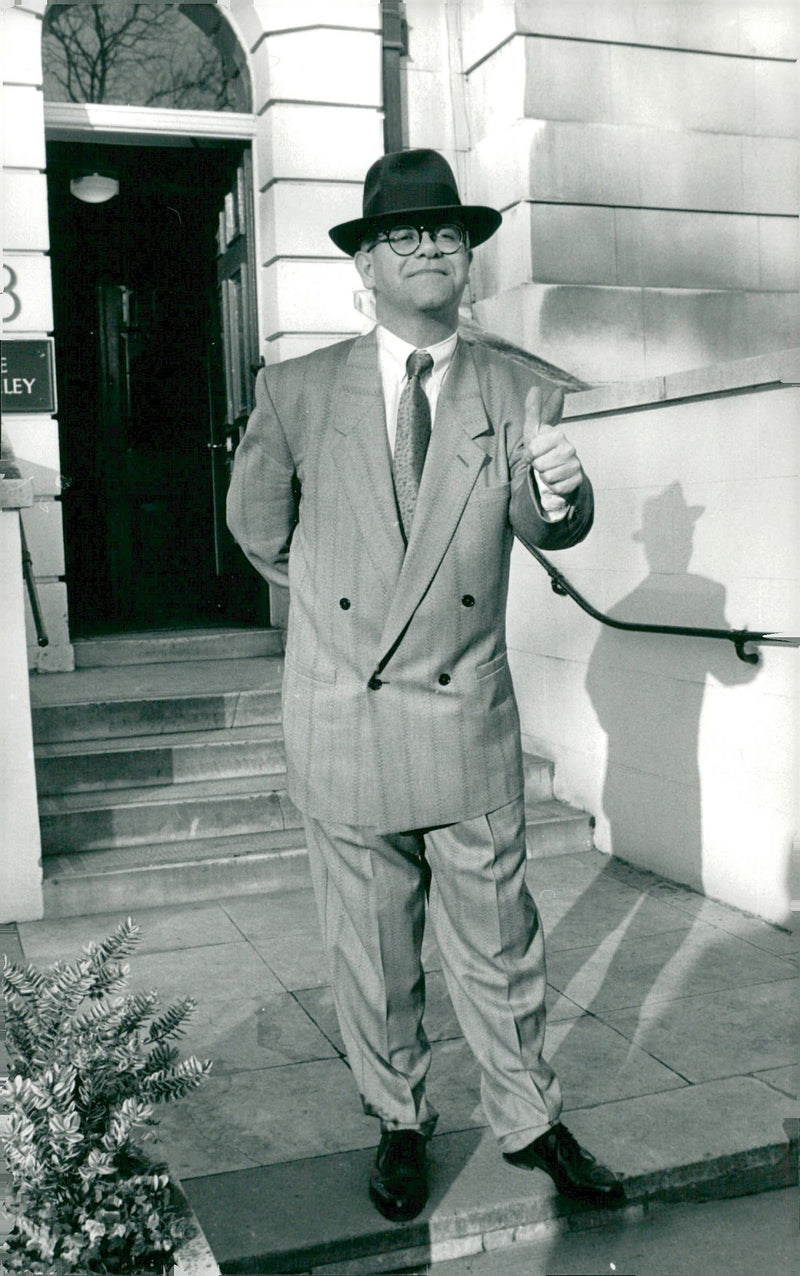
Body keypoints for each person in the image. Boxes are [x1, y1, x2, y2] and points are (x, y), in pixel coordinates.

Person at [227, 149, 623, 1222]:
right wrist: (340, 608)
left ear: (466, 258)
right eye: (403, 234)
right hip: (343, 718)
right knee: (373, 952)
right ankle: (399, 1118)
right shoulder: (296, 390)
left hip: (463, 716)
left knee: (498, 943)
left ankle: (530, 1120)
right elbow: (260, 534)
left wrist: (565, 492)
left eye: (447, 233)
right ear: (365, 263)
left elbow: (549, 524)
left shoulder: (517, 385)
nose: (430, 247)